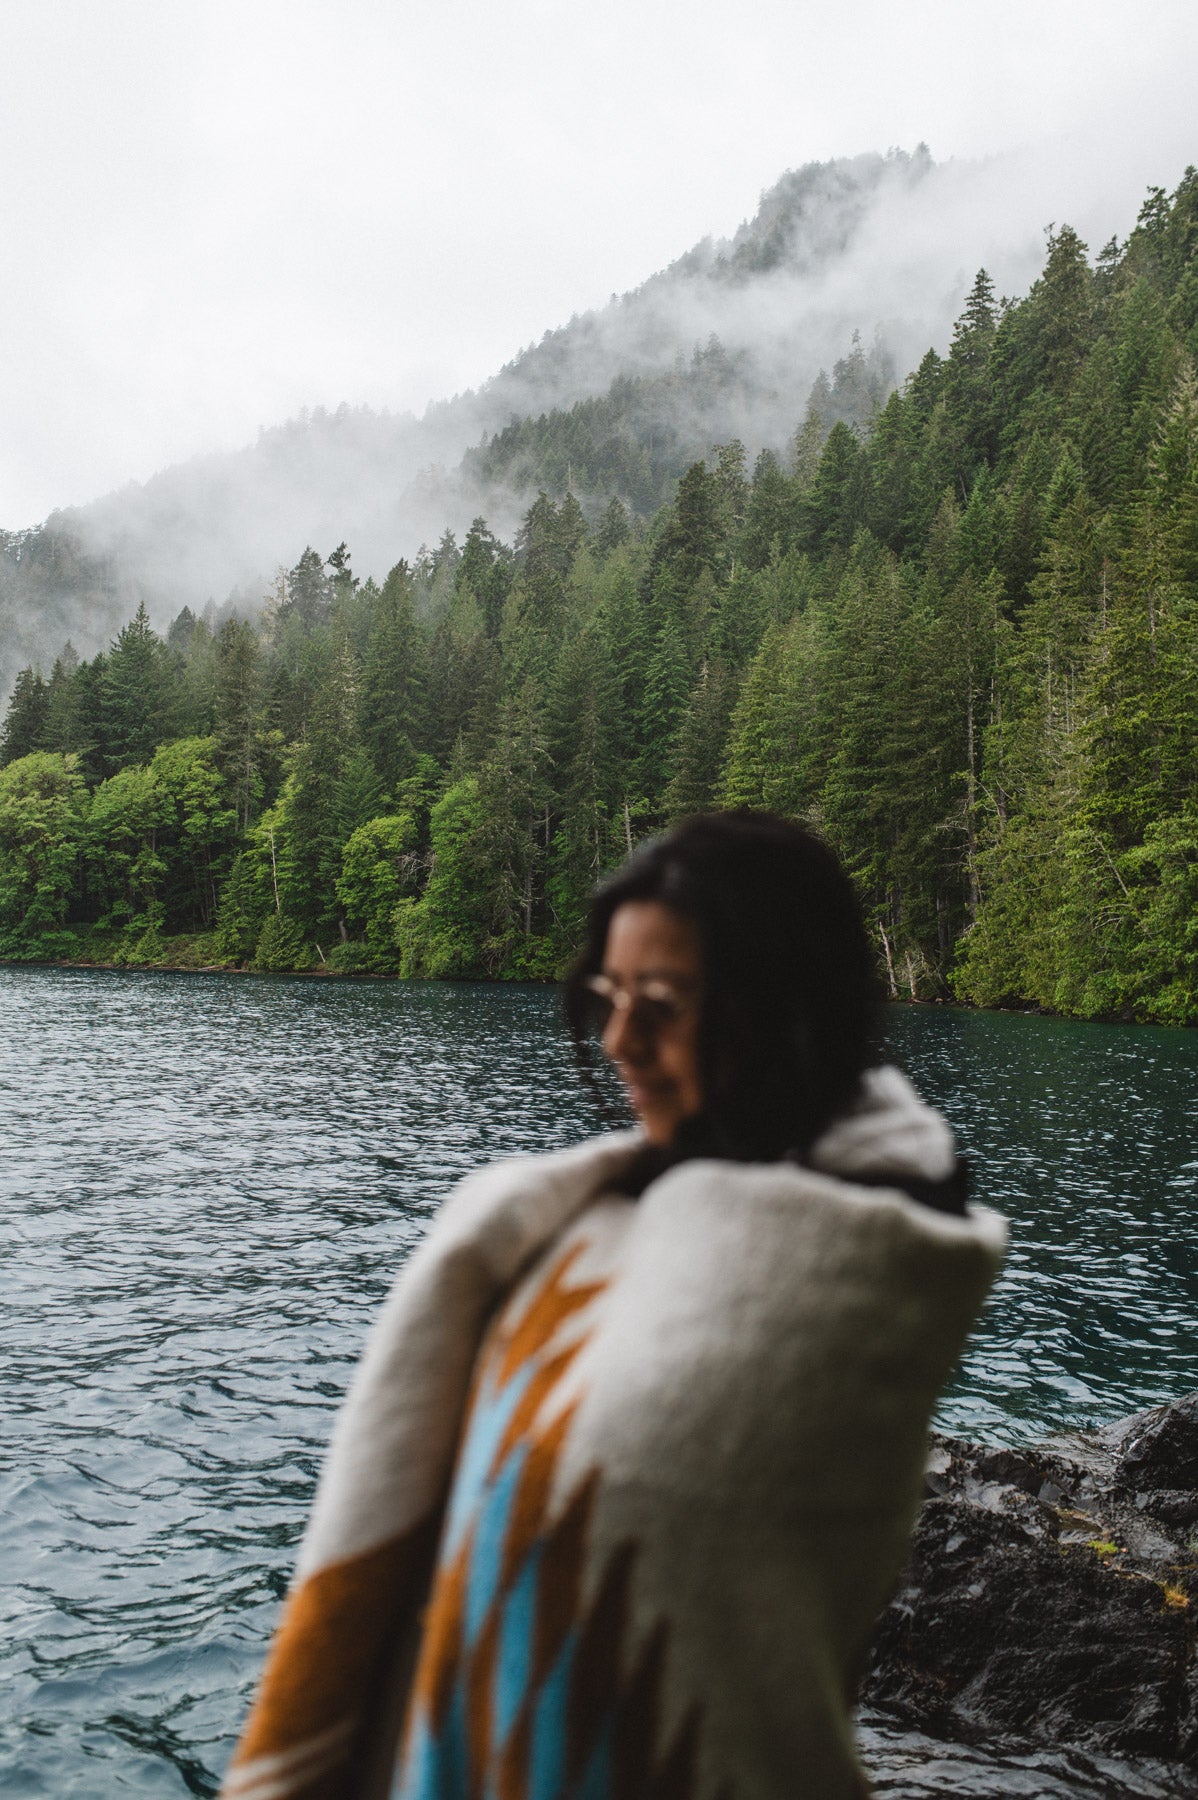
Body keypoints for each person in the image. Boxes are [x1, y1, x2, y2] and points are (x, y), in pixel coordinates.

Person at [222, 811, 1006, 1800]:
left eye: (662, 1005)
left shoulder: (860, 1276)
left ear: (781, 1010)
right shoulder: (572, 1221)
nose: (619, 1041)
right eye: (610, 997)